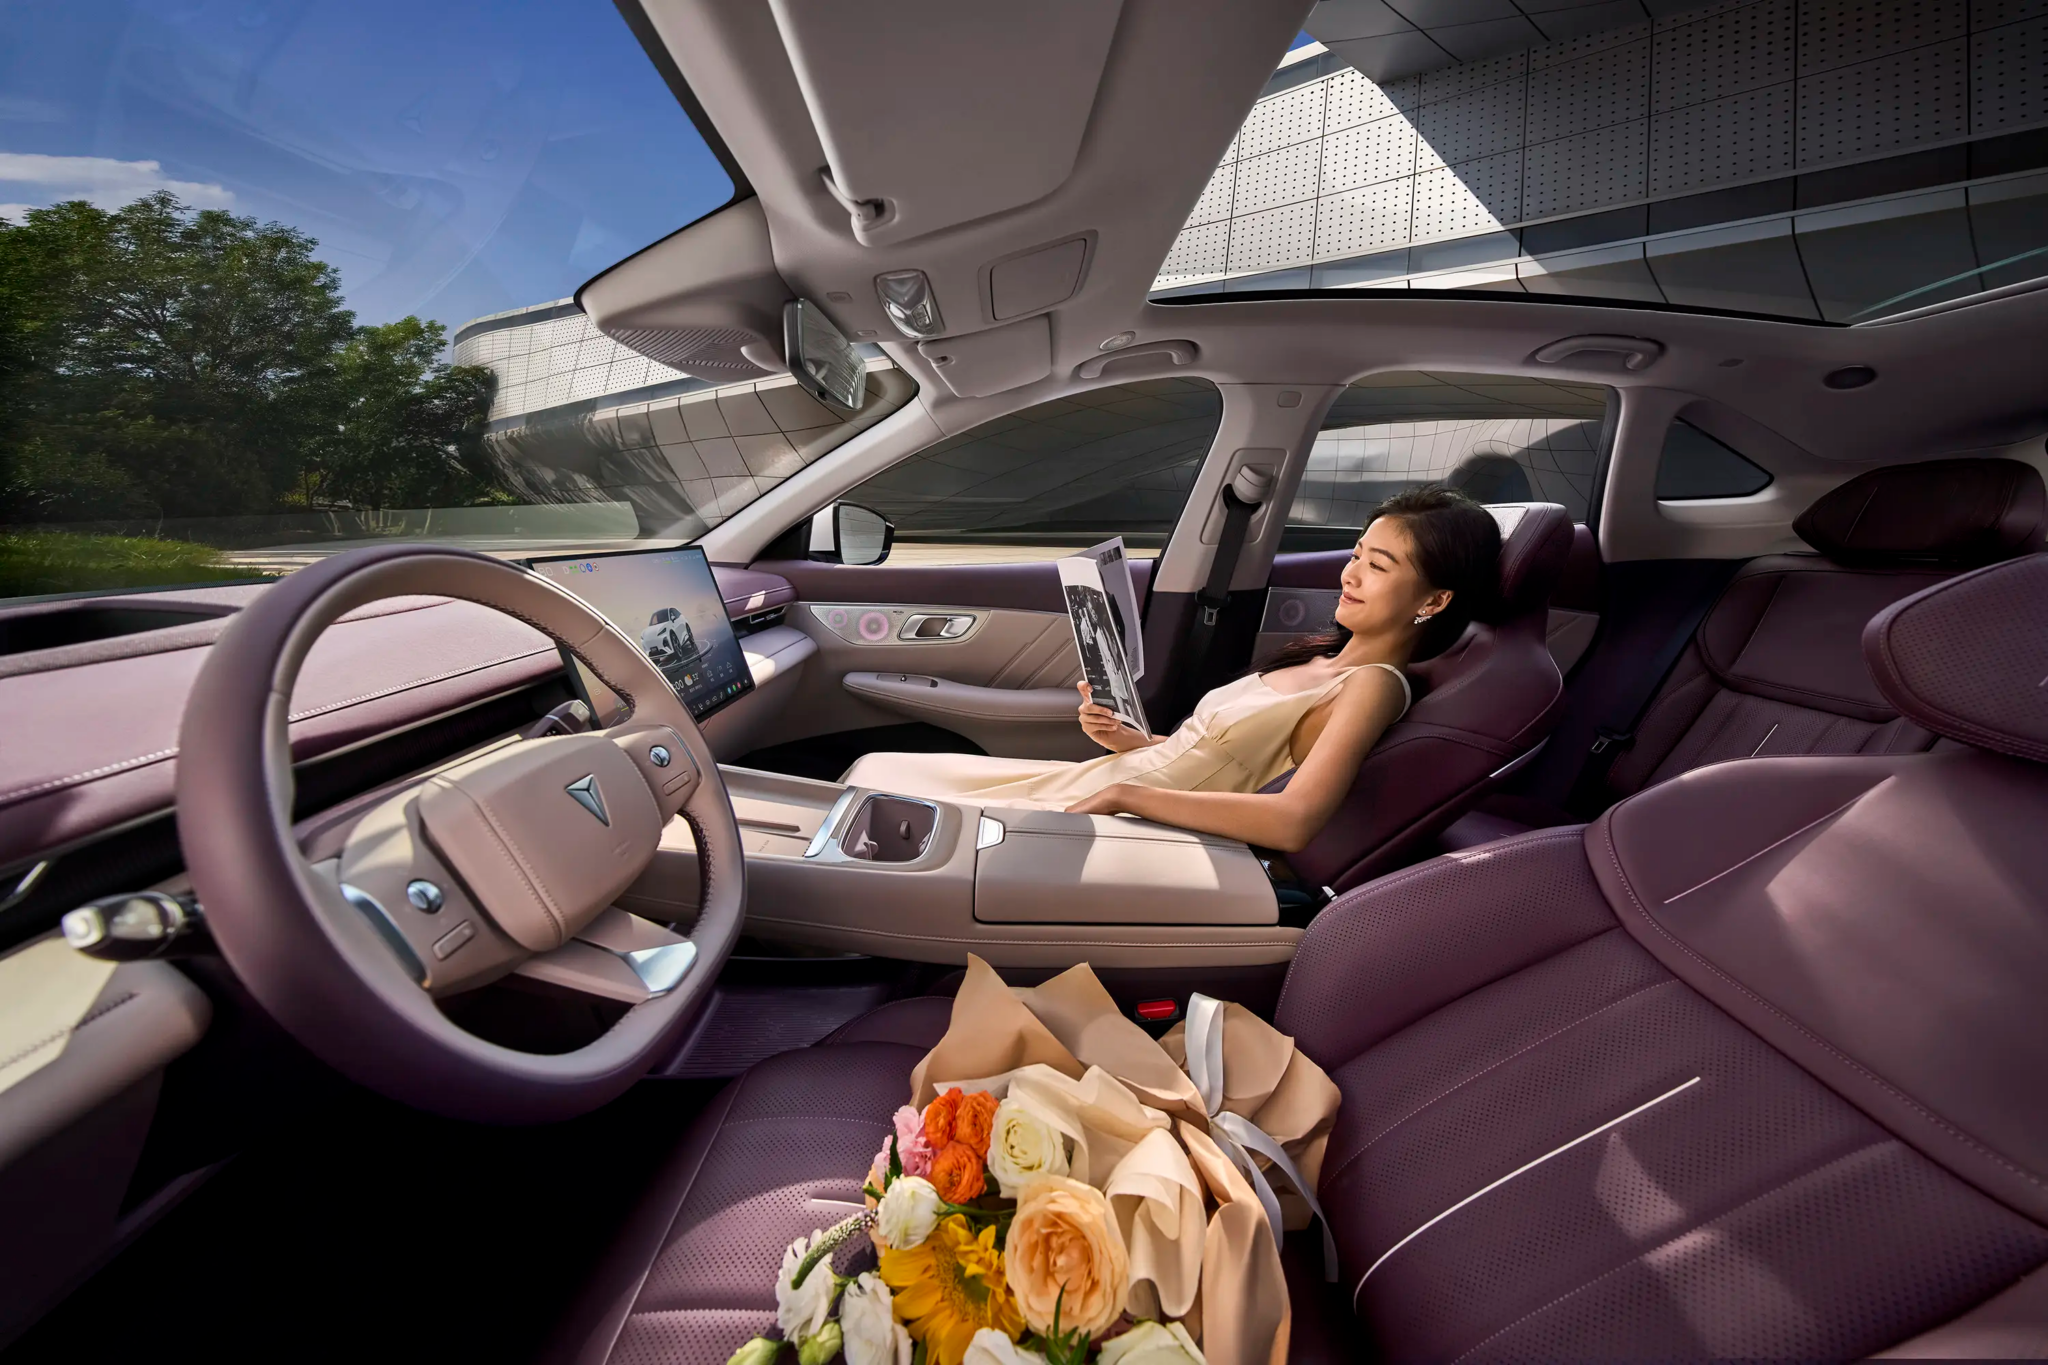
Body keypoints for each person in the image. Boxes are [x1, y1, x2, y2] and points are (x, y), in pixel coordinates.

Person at [839, 486, 1503, 852]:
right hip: (1111, 780)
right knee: (879, 769)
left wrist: (1131, 795)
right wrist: (1133, 742)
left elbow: (1293, 817)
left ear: (1434, 601)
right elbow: (1221, 759)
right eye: (1356, 554)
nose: (1350, 574)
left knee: (877, 803)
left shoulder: (1373, 687)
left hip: (1134, 823)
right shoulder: (1320, 657)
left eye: (1378, 566)